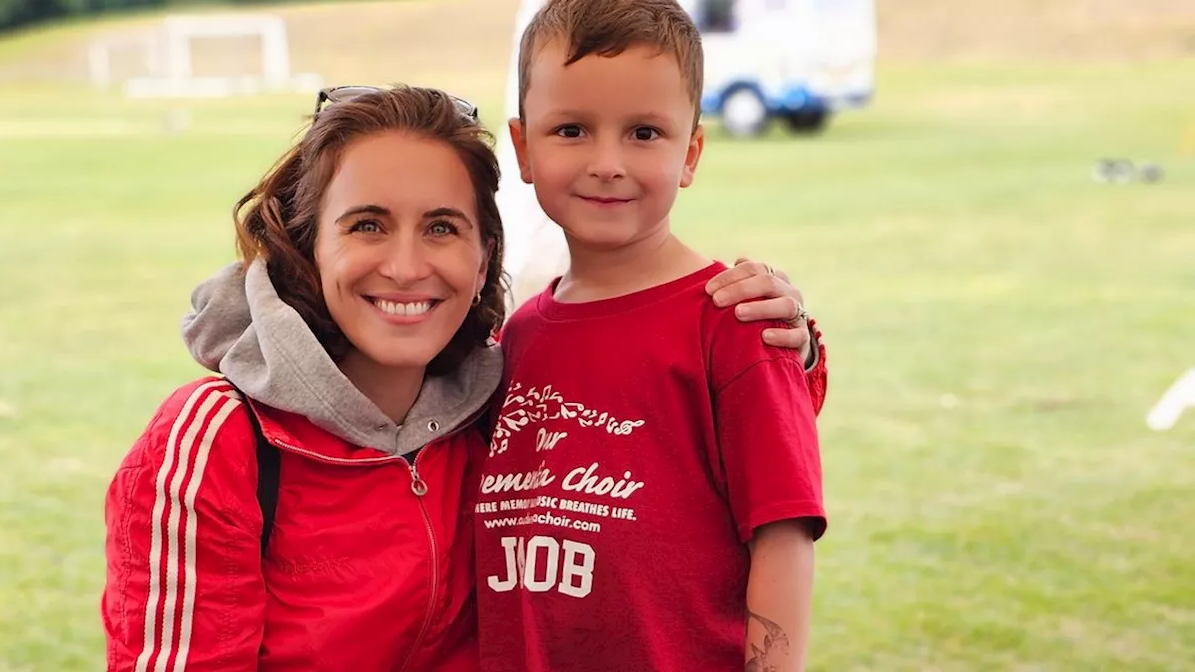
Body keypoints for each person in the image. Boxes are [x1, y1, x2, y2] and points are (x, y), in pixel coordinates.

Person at [101, 84, 824, 671]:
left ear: (483, 260)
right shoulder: (218, 442)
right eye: (368, 225)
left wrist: (789, 339)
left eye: (443, 227)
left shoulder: (497, 405)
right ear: (306, 246)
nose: (408, 266)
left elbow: (660, 404)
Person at [473, 1, 824, 671]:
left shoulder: (739, 320)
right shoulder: (516, 338)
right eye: (571, 129)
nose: (608, 162)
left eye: (644, 133)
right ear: (522, 148)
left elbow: (784, 536)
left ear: (690, 153)